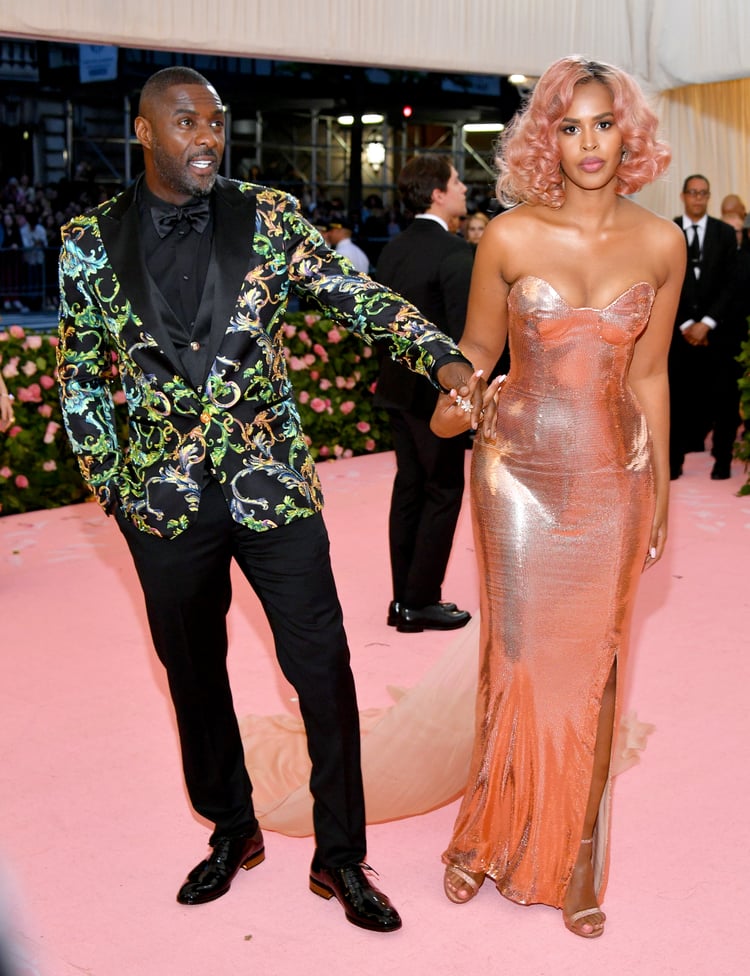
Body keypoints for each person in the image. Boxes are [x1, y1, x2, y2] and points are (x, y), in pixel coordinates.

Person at [56, 66, 484, 935]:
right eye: (186, 122)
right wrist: (118, 489)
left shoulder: (271, 218)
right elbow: (78, 376)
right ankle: (231, 828)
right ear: (144, 132)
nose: (207, 135)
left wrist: (442, 356)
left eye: (216, 121)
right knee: (193, 675)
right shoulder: (88, 241)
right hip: (165, 507)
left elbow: (357, 299)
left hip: (273, 488)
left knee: (322, 668)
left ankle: (340, 856)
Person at [430, 56, 685, 938]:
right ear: (547, 137)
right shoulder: (508, 236)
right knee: (518, 656)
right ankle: (483, 839)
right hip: (516, 474)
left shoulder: (661, 242)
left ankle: (579, 855)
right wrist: (454, 395)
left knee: (601, 666)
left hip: (611, 478)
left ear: (629, 133)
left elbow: (649, 376)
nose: (588, 143)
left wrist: (659, 494)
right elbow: (476, 349)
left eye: (603, 124)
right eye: (569, 126)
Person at [374, 154, 476, 633]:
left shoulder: (393, 249)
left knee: (409, 491)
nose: (463, 188)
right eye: (456, 181)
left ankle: (401, 600)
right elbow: (463, 339)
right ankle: (421, 601)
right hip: (437, 400)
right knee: (443, 492)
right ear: (437, 193)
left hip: (395, 390)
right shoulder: (455, 253)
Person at [669, 175, 740, 479]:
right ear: (683, 196)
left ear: (709, 197)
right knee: (676, 400)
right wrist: (686, 323)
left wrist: (707, 323)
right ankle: (673, 463)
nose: (698, 198)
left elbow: (732, 283)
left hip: (717, 334)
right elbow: (665, 282)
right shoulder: (667, 231)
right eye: (693, 193)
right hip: (678, 333)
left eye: (703, 194)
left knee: (724, 399)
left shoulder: (724, 233)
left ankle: (722, 460)